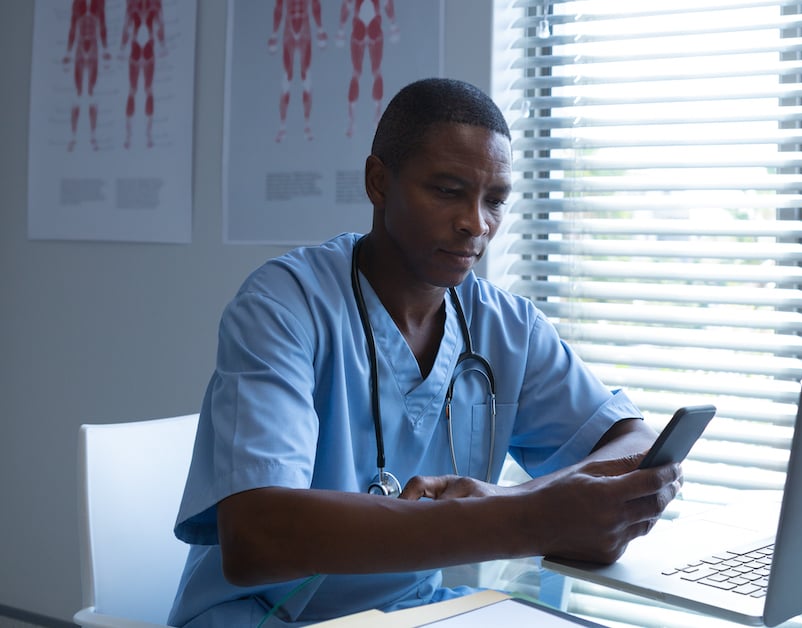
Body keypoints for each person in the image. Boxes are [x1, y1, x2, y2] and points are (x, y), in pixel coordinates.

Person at [169, 78, 680, 627]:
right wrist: (525, 518)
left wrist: (516, 499)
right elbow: (256, 536)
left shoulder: (506, 326)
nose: (475, 224)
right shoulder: (283, 306)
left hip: (406, 615)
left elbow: (634, 441)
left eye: (495, 201)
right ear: (378, 182)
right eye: (446, 190)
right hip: (264, 618)